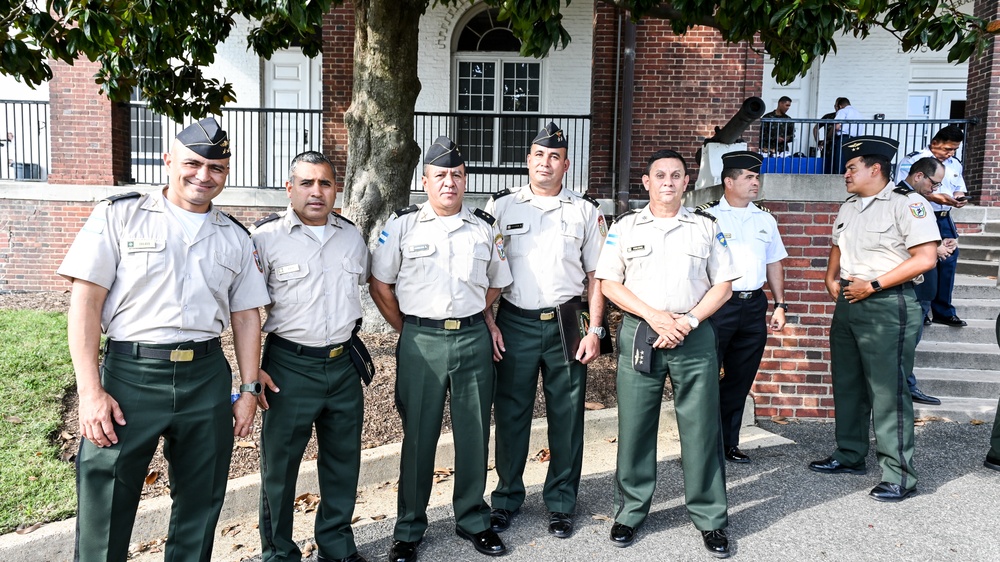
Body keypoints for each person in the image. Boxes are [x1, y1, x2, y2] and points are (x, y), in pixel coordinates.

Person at [58, 118, 270, 562]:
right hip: (131, 375)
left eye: (216, 168)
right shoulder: (120, 214)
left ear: (225, 173)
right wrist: (89, 390)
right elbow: (85, 302)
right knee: (106, 500)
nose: (203, 175)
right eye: (193, 163)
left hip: (206, 376)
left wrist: (249, 389)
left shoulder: (234, 236)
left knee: (201, 499)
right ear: (168, 160)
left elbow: (246, 315)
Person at [370, 136, 513, 562]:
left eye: (456, 175)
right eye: (440, 176)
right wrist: (410, 330)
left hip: (471, 338)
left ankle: (473, 518)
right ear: (425, 181)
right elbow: (381, 285)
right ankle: (409, 528)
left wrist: (472, 315)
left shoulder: (486, 227)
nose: (449, 182)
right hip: (421, 341)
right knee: (418, 436)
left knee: (474, 434)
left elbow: (495, 283)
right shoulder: (401, 226)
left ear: (464, 179)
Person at [597, 149, 739, 557]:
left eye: (676, 175)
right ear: (646, 182)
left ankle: (711, 518)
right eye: (660, 175)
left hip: (693, 335)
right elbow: (609, 282)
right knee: (636, 426)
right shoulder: (625, 228)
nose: (668, 182)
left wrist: (688, 322)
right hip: (643, 332)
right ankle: (631, 510)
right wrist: (656, 317)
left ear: (686, 182)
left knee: (701, 430)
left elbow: (723, 285)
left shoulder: (706, 227)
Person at [484, 122, 607, 539]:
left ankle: (560, 502)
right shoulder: (501, 207)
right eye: (539, 155)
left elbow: (597, 277)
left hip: (567, 323)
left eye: (554, 156)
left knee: (567, 417)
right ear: (528, 161)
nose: (545, 162)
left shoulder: (585, 211)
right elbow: (485, 272)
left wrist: (595, 331)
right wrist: (488, 321)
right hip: (514, 320)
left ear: (566, 164)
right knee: (512, 414)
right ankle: (505, 499)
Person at [251, 151, 372, 562]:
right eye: (306, 183)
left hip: (342, 365)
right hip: (288, 366)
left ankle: (336, 545)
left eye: (325, 183)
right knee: (279, 470)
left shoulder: (352, 237)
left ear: (336, 189)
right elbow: (245, 311)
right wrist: (251, 372)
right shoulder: (264, 239)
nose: (316, 192)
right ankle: (279, 553)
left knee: (343, 462)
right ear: (290, 188)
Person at [809, 136, 939, 503]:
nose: (845, 174)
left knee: (888, 391)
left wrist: (875, 285)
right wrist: (831, 277)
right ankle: (850, 455)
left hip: (887, 303)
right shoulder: (850, 206)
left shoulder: (908, 204)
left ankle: (900, 475)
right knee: (847, 382)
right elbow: (838, 245)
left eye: (852, 167)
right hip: (851, 299)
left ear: (875, 168)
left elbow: (925, 258)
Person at [699, 151, 787, 464]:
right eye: (749, 177)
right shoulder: (706, 218)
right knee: (704, 378)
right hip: (717, 306)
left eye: (756, 177)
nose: (756, 182)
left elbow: (774, 262)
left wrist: (780, 304)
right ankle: (701, 448)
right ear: (728, 181)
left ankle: (727, 443)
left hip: (753, 307)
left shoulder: (765, 219)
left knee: (740, 378)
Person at [896, 125, 970, 327]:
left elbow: (958, 189)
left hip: (944, 217)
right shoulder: (914, 160)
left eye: (954, 149)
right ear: (934, 143)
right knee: (925, 261)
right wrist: (936, 197)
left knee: (948, 262)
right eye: (947, 149)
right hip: (919, 214)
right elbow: (903, 188)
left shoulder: (954, 164)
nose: (950, 153)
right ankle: (922, 310)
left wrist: (958, 199)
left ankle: (943, 311)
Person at [897, 157, 948, 406]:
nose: (935, 189)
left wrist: (940, 244)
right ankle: (907, 387)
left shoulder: (915, 199)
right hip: (914, 282)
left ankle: (907, 384)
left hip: (921, 282)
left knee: (910, 340)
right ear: (919, 176)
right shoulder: (908, 200)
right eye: (934, 184)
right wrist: (936, 249)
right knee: (908, 341)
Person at [832, 97, 864, 172]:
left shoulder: (842, 111)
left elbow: (837, 126)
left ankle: (838, 177)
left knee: (839, 160)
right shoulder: (858, 113)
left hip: (844, 138)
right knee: (851, 161)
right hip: (856, 140)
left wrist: (830, 135)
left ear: (840, 106)